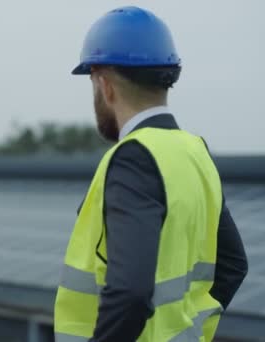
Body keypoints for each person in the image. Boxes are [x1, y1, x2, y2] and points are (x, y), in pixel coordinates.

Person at [54, 6, 248, 342]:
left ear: (104, 84)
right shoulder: (194, 152)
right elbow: (233, 266)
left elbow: (130, 294)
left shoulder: (134, 158)